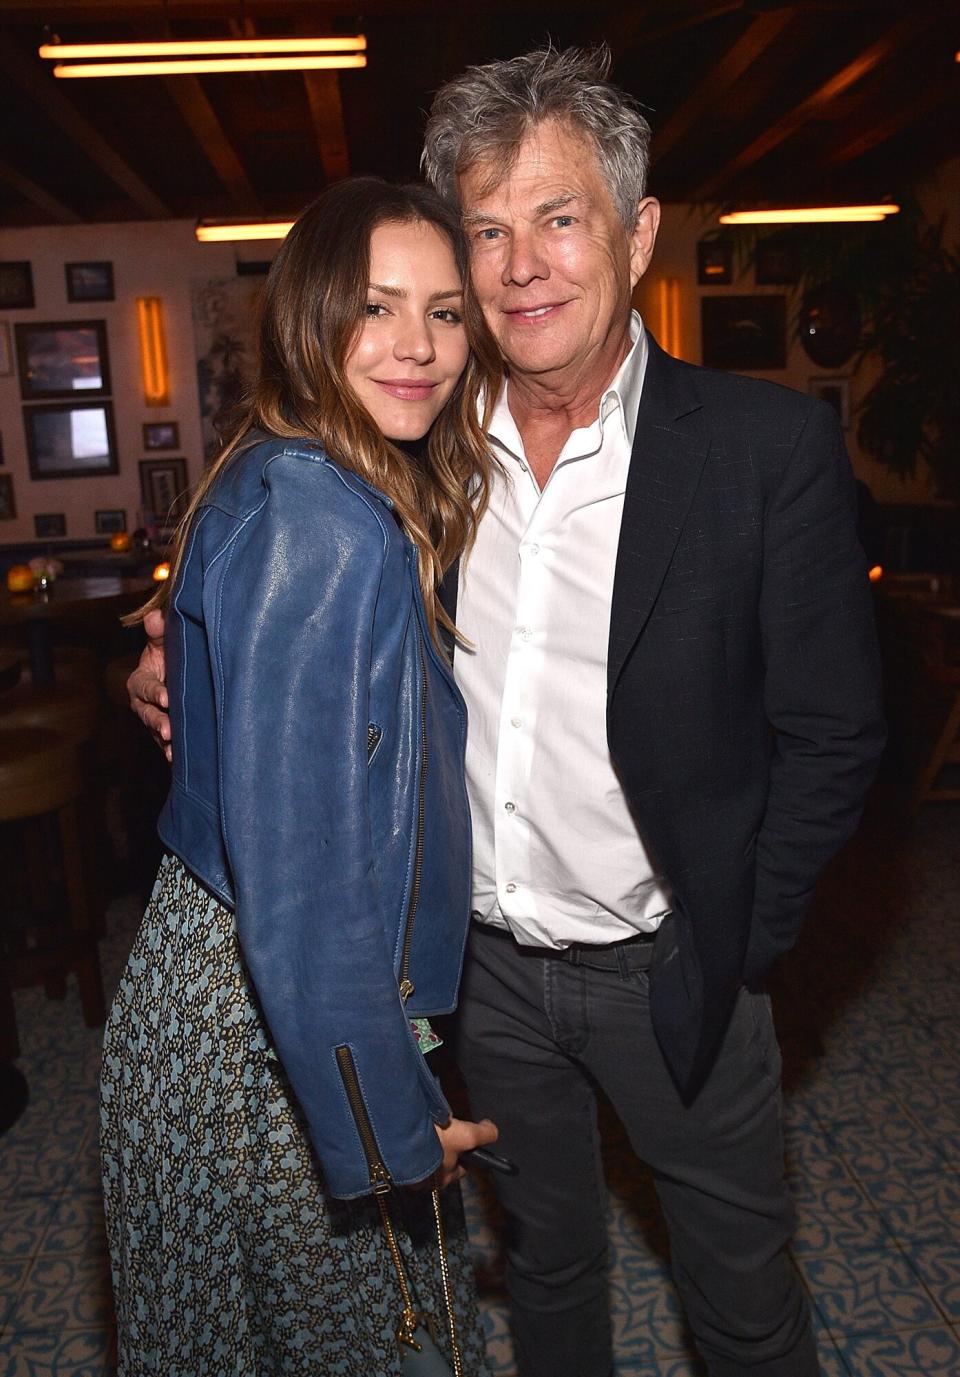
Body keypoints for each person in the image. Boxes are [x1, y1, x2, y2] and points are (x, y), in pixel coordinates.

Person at [129, 47, 887, 1377]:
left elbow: (835, 734)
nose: (520, 261)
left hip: (672, 963)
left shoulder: (762, 455)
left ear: (638, 232)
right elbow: (284, 615)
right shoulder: (408, 434)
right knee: (543, 1265)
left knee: (743, 1288)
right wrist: (183, 666)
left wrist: (738, 932)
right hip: (478, 978)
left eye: (558, 215)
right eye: (488, 227)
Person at [103, 177, 501, 1377]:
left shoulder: (275, 468)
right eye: (377, 309)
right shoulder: (326, 521)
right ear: (310, 318)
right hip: (262, 1036)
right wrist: (389, 1130)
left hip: (214, 993)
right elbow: (309, 886)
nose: (418, 347)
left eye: (443, 311)